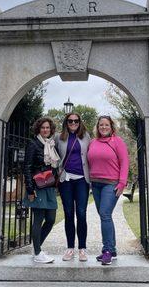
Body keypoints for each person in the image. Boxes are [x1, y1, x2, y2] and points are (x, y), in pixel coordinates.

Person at [87, 115, 129, 265]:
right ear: (97, 127)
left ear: (111, 127)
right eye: (100, 125)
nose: (103, 127)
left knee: (105, 214)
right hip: (96, 184)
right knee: (105, 215)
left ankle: (107, 251)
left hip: (111, 184)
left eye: (106, 125)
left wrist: (122, 182)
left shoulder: (117, 141)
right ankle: (113, 250)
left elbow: (124, 162)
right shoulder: (93, 142)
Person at [22, 117, 60, 263]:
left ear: (51, 130)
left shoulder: (50, 144)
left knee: (50, 220)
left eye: (48, 128)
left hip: (49, 186)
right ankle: (37, 253)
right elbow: (27, 167)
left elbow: (53, 165)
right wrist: (30, 189)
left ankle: (37, 247)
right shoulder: (33, 144)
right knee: (38, 219)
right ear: (38, 129)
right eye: (43, 127)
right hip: (37, 187)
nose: (45, 130)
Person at [55, 112, 91, 262]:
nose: (73, 123)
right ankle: (70, 248)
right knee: (69, 214)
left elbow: (92, 154)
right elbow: (51, 153)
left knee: (81, 213)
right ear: (66, 122)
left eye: (76, 121)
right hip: (66, 180)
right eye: (70, 121)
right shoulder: (58, 137)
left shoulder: (86, 136)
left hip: (82, 179)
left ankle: (82, 248)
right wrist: (57, 168)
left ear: (80, 122)